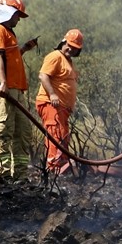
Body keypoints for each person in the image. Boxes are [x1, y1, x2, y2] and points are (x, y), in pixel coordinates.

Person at [0, 0, 38, 178]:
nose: (18, 20)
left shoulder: (8, 33)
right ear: (6, 12)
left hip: (15, 89)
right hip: (3, 89)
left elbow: (8, 58)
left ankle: (19, 176)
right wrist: (3, 82)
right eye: (16, 15)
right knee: (2, 131)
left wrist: (24, 49)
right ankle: (2, 176)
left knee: (23, 133)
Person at [35, 29, 83, 175]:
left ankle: (60, 170)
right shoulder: (55, 56)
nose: (71, 49)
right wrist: (53, 94)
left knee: (62, 137)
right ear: (63, 42)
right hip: (51, 104)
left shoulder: (68, 61)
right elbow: (43, 76)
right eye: (69, 45)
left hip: (62, 108)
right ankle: (53, 171)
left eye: (75, 48)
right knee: (55, 135)